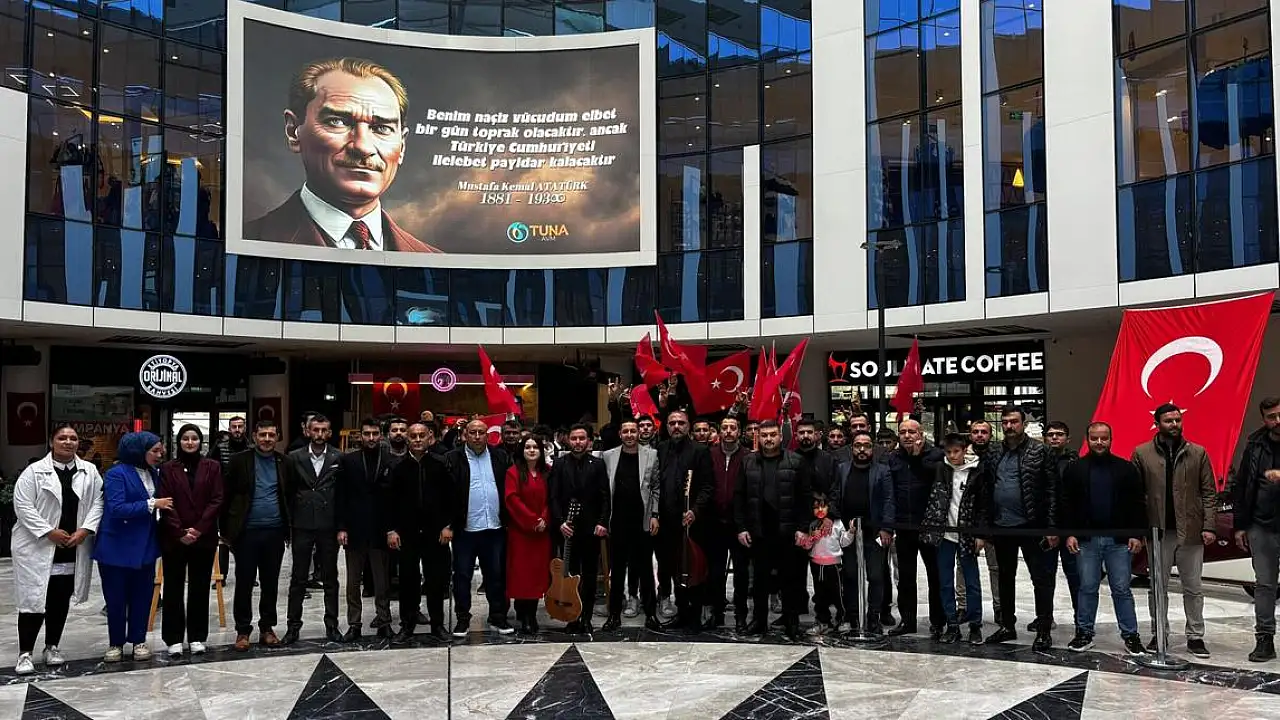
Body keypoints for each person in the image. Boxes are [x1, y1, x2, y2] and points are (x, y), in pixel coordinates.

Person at [246, 57, 440, 252]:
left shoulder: (431, 257)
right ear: (293, 131)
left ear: (402, 146)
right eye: (337, 122)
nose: (363, 147)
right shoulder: (251, 240)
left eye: (382, 128)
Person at [11, 424, 103, 675]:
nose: (68, 442)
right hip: (38, 546)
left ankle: (52, 646)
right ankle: (25, 653)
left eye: (73, 438)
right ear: (52, 442)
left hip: (71, 545)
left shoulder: (89, 471)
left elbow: (98, 502)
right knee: (33, 600)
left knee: (59, 598)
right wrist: (48, 531)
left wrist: (85, 530)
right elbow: (23, 506)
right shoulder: (34, 472)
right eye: (62, 438)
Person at [1132, 403, 1216, 658]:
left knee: (1193, 587)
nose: (1174, 424)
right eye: (1168, 421)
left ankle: (1195, 636)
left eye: (1177, 420)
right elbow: (1135, 495)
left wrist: (1209, 525)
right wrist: (1139, 530)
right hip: (1157, 531)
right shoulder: (1142, 453)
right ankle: (1160, 633)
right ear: (1157, 424)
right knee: (1158, 587)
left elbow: (1209, 492)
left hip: (1191, 530)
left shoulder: (1197, 452)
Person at [1061, 422, 1147, 656]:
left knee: (1121, 589)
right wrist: (1069, 533)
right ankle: (1084, 632)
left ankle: (1131, 635)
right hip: (1086, 540)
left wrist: (1136, 534)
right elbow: (1066, 503)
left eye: (1104, 438)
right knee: (1087, 587)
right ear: (1087, 439)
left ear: (1111, 439)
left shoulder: (1126, 469)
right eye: (1094, 438)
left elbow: (1137, 503)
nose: (1099, 442)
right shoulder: (1075, 469)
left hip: (1118, 541)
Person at [94, 431, 169, 663]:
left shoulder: (154, 473)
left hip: (145, 545)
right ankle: (115, 642)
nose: (160, 455)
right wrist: (152, 504)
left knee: (142, 596)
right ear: (138, 451)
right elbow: (117, 508)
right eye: (155, 451)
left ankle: (139, 640)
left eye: (161, 450)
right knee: (116, 598)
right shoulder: (116, 474)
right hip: (116, 545)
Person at [735, 420, 810, 639]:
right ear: (758, 437)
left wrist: (803, 528)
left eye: (773, 435)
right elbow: (739, 497)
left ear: (780, 436)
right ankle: (759, 620)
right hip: (759, 530)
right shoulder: (748, 462)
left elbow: (805, 498)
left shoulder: (796, 461)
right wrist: (741, 527)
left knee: (790, 579)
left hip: (788, 530)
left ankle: (791, 622)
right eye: (764, 435)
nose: (769, 439)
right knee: (760, 580)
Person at [222, 419, 291, 651]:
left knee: (270, 583)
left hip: (274, 532)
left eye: (271, 435)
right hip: (246, 533)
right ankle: (243, 630)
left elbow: (289, 495)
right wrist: (226, 531)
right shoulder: (239, 461)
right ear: (254, 436)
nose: (267, 439)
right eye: (263, 435)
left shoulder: (285, 462)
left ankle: (267, 628)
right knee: (244, 582)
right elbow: (226, 495)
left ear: (277, 437)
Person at [156, 424, 224, 657]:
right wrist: (180, 532)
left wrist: (198, 529)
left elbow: (217, 499)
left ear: (200, 442)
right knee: (173, 587)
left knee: (200, 587)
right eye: (185, 438)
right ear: (179, 441)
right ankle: (173, 638)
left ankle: (197, 636)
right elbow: (164, 500)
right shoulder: (168, 468)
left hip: (203, 537)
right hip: (174, 537)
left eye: (194, 438)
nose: (190, 442)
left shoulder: (212, 466)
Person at [386, 421, 453, 641]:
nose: (417, 440)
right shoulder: (397, 467)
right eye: (413, 436)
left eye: (421, 436)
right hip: (407, 533)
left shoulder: (440, 464)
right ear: (408, 439)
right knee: (407, 581)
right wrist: (391, 530)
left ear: (429, 438)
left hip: (436, 533)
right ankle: (407, 625)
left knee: (436, 581)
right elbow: (389, 502)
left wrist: (448, 526)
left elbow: (452, 498)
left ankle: (437, 625)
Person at [446, 419, 513, 636]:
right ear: (465, 434)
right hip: (465, 529)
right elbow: (446, 495)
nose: (477, 436)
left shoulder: (500, 457)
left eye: (481, 432)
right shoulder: (452, 458)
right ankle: (463, 619)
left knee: (496, 575)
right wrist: (448, 524)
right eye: (472, 432)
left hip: (494, 527)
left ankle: (498, 617)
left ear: (487, 435)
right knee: (462, 576)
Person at [284, 414, 343, 645]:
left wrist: (342, 526)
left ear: (330, 433)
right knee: (298, 578)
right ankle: (293, 626)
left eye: (324, 430)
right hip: (302, 524)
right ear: (308, 431)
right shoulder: (294, 457)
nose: (319, 434)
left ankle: (332, 625)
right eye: (315, 430)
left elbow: (343, 494)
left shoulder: (338, 456)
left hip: (328, 524)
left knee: (330, 578)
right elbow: (288, 491)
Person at [337, 418, 396, 641]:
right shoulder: (349, 460)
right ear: (360, 436)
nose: (371, 438)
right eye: (367, 434)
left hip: (381, 529)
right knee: (353, 582)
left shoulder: (389, 460)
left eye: (375, 434)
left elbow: (394, 499)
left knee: (382, 581)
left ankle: (384, 621)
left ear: (381, 435)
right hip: (355, 528)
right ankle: (354, 624)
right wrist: (341, 527)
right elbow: (341, 496)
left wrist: (392, 529)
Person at [831, 429, 895, 637]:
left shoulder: (882, 471)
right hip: (849, 533)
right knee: (850, 575)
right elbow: (835, 496)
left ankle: (873, 617)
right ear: (852, 448)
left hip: (875, 533)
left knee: (876, 576)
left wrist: (886, 528)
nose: (862, 449)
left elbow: (889, 500)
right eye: (858, 445)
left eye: (866, 446)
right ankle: (853, 617)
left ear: (872, 449)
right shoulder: (842, 469)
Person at [599, 420, 661, 632]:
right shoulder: (608, 456)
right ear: (620, 434)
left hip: (642, 519)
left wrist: (655, 515)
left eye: (633, 431)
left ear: (638, 433)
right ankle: (614, 615)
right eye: (625, 431)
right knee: (616, 571)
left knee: (645, 570)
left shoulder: (651, 454)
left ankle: (651, 614)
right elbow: (605, 490)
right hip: (617, 520)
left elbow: (656, 487)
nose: (629, 434)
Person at [923, 434, 985, 645]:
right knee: (945, 582)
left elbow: (982, 504)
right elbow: (923, 462)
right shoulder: (941, 468)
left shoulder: (977, 470)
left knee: (972, 581)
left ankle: (975, 625)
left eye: (956, 451)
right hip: (945, 535)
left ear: (965, 450)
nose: (952, 456)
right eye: (948, 452)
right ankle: (952, 625)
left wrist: (980, 534)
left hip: (967, 534)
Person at [548, 424, 611, 633]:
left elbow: (605, 496)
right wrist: (560, 522)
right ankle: (572, 617)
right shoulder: (559, 464)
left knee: (590, 575)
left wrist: (602, 522)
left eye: (582, 438)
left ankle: (586, 617)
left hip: (591, 529)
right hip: (566, 529)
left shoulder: (598, 464)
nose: (577, 442)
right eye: (574, 438)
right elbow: (553, 496)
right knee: (569, 574)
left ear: (589, 441)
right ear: (568, 440)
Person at [656, 410, 714, 633]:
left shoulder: (700, 451)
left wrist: (695, 511)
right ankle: (681, 612)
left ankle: (695, 616)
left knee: (694, 568)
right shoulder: (661, 448)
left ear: (688, 426)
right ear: (667, 427)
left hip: (693, 522)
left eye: (681, 423)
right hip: (667, 522)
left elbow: (707, 486)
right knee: (674, 568)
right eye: (672, 423)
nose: (676, 427)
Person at [888, 419, 946, 640]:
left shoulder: (935, 455)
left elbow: (936, 477)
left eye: (911, 431)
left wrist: (917, 456)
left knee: (935, 575)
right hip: (904, 526)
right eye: (902, 432)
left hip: (930, 526)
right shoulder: (893, 457)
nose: (907, 436)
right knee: (906, 577)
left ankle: (938, 621)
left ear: (921, 433)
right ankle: (907, 620)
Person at [1235, 397, 1280, 662]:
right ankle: (1264, 639)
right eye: (1271, 417)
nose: (1277, 421)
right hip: (1261, 525)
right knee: (1264, 584)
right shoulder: (1255, 445)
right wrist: (1240, 525)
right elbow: (1242, 485)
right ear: (1264, 419)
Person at [503, 435, 552, 635]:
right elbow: (512, 499)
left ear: (541, 451)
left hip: (542, 533)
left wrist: (544, 519)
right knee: (521, 574)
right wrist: (533, 521)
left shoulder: (548, 472)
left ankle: (530, 613)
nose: (531, 450)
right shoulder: (513, 472)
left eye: (535, 447)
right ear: (522, 451)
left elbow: (552, 498)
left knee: (537, 574)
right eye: (527, 447)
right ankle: (523, 614)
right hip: (521, 533)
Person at [707, 416, 749, 631]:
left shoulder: (749, 456)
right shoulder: (710, 454)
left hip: (739, 523)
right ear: (720, 431)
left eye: (733, 428)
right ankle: (717, 613)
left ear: (739, 432)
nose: (729, 431)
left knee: (741, 572)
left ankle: (741, 615)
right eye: (725, 428)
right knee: (715, 572)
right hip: (715, 522)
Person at [1041, 420, 1082, 634]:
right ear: (1045, 438)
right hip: (1045, 528)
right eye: (1051, 434)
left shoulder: (1076, 463)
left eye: (1059, 434)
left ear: (1067, 438)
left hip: (1070, 529)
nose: (1055, 437)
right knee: (1044, 577)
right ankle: (1045, 618)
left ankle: (1081, 620)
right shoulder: (1038, 461)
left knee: (1075, 577)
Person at [958, 420, 1000, 622]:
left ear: (990, 435)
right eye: (976, 432)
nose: (980, 435)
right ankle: (963, 606)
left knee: (996, 567)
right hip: (966, 518)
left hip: (994, 519)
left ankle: (1000, 607)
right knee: (963, 565)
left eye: (984, 432)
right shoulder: (961, 457)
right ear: (970, 435)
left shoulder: (999, 455)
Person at [800, 492, 851, 636]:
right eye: (816, 508)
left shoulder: (837, 524)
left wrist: (851, 532)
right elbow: (806, 546)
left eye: (823, 507)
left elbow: (844, 542)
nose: (820, 510)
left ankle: (843, 619)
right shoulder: (812, 524)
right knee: (820, 595)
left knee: (838, 594)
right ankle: (822, 621)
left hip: (834, 565)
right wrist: (811, 538)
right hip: (816, 564)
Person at [795, 418, 837, 495]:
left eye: (809, 432)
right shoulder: (789, 459)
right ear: (796, 435)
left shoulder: (828, 459)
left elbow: (834, 488)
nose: (805, 435)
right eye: (801, 432)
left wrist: (828, 502)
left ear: (815, 435)